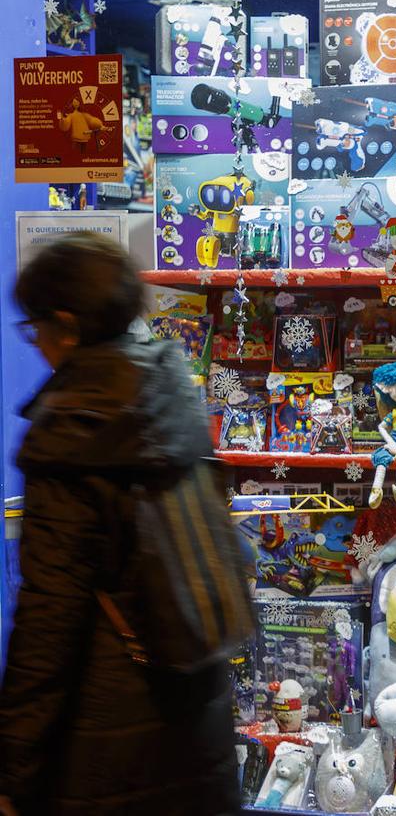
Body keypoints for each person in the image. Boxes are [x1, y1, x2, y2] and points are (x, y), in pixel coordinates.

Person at [0, 232, 240, 816]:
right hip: (199, 707)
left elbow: (48, 621)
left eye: (33, 330)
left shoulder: (73, 430)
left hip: (110, 730)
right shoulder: (172, 390)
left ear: (66, 323)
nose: (36, 346)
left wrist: (14, 770)